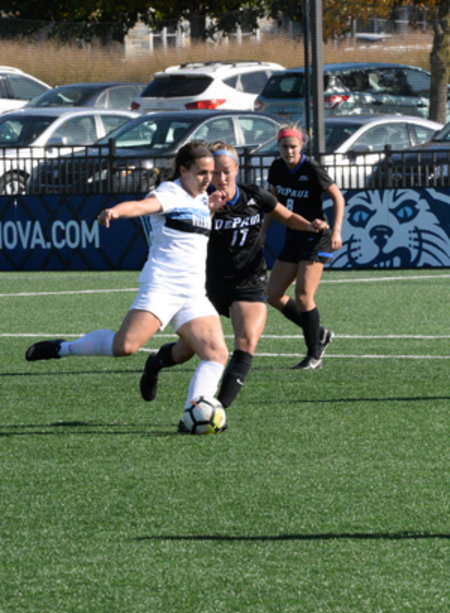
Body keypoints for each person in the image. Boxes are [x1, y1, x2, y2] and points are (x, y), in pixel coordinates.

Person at [25, 141, 230, 433]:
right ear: (183, 170)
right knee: (125, 347)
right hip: (163, 286)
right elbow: (140, 206)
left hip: (193, 292)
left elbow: (193, 228)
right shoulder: (169, 193)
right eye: (201, 172)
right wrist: (115, 212)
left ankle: (191, 414)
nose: (208, 178)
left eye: (210, 172)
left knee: (216, 354)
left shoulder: (201, 198)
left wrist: (210, 209)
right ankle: (63, 348)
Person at [139, 141, 329, 411]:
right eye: (214, 172)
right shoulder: (198, 202)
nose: (221, 178)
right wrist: (210, 209)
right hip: (208, 285)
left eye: (226, 171)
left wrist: (310, 225)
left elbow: (286, 217)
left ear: (237, 170)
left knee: (246, 343)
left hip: (249, 281)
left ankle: (217, 410)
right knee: (187, 350)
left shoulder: (255, 196)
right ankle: (156, 362)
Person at [264, 124, 345, 370]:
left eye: (293, 146)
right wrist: (262, 231)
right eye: (284, 146)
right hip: (293, 235)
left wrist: (336, 231)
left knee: (303, 295)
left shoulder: (312, 168)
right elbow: (273, 203)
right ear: (278, 147)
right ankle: (319, 332)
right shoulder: (277, 168)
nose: (289, 151)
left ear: (301, 146)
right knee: (272, 294)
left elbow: (338, 197)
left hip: (317, 236)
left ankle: (314, 355)